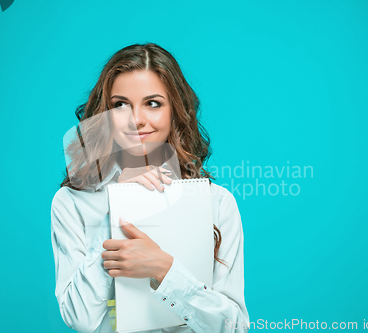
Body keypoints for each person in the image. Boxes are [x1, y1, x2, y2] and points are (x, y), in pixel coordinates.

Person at [51, 43, 249, 333]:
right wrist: (116, 212)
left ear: (175, 111)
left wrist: (164, 270)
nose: (136, 120)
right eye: (120, 105)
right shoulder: (72, 202)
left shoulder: (216, 202)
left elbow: (234, 326)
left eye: (153, 103)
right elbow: (80, 319)